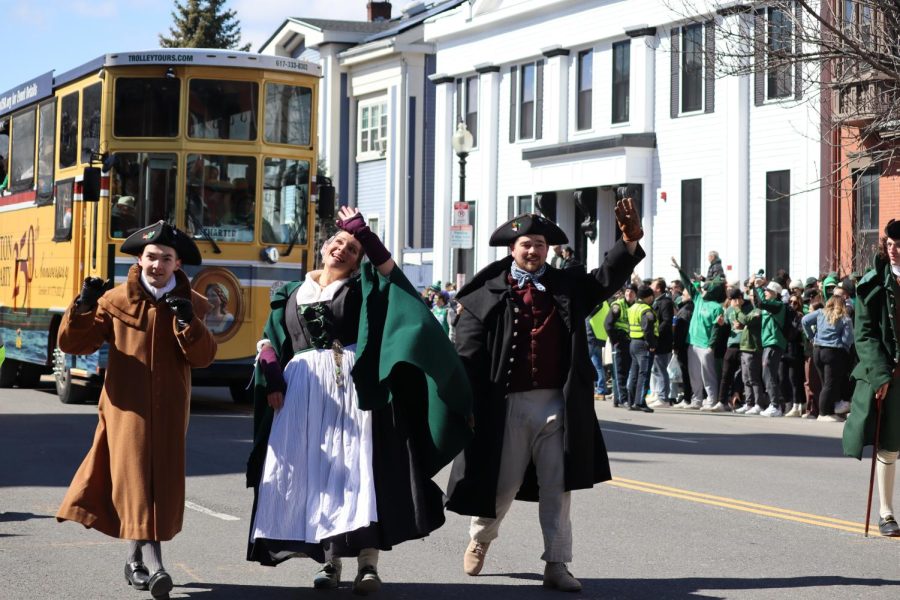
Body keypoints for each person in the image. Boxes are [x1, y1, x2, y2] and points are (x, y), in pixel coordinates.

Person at [246, 207, 472, 592]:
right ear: (323, 248)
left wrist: (365, 236)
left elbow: (393, 276)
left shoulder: (365, 285)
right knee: (319, 475)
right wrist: (269, 366)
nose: (342, 249)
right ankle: (330, 562)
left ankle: (368, 565)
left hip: (351, 387)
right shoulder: (291, 292)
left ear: (357, 260)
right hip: (301, 392)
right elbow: (271, 337)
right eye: (337, 242)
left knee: (357, 474)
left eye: (351, 248)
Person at [448, 201, 645, 592]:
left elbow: (605, 278)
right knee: (501, 486)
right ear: (512, 249)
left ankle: (557, 563)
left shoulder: (567, 286)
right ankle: (481, 537)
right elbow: (466, 355)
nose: (533, 251)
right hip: (506, 407)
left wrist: (627, 241)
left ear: (547, 249)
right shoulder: (485, 293)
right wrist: (465, 403)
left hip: (558, 403)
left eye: (539, 244)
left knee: (558, 486)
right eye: (526, 244)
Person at [55, 221, 217, 599]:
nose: (157, 264)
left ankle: (134, 562)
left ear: (177, 264)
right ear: (139, 259)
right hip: (125, 410)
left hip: (171, 410)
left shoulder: (190, 303)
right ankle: (157, 566)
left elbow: (205, 357)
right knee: (135, 484)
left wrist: (187, 322)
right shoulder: (113, 301)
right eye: (151, 257)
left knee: (155, 485)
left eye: (166, 258)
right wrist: (82, 304)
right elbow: (73, 343)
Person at [843, 220, 900, 537]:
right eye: (890, 243)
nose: (893, 249)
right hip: (890, 374)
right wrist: (880, 375)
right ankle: (886, 512)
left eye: (899, 245)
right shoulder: (872, 283)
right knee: (889, 445)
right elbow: (864, 335)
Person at [672, 257, 725, 410]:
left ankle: (711, 399)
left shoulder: (716, 307)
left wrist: (711, 345)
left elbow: (717, 328)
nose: (704, 289)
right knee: (694, 374)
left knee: (708, 375)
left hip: (706, 345)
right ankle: (697, 400)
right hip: (692, 343)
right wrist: (680, 270)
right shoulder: (699, 299)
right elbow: (688, 284)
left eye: (707, 288)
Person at [802, 295, 854, 421]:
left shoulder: (820, 313)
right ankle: (824, 413)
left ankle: (829, 411)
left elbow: (804, 321)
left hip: (817, 350)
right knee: (830, 384)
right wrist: (843, 348)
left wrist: (812, 337)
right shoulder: (845, 318)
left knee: (825, 382)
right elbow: (848, 338)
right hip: (833, 352)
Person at [752, 278, 789, 417]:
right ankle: (774, 404)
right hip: (768, 342)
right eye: (766, 290)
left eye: (768, 291)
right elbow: (759, 302)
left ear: (775, 293)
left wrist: (759, 287)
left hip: (774, 342)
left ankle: (775, 405)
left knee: (769, 373)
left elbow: (761, 302)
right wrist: (754, 287)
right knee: (767, 373)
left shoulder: (778, 305)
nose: (765, 292)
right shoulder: (771, 305)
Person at [626, 285, 657, 413]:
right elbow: (648, 329)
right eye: (652, 296)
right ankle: (640, 402)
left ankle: (631, 401)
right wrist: (652, 344)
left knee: (634, 374)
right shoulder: (646, 310)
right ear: (648, 297)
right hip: (643, 344)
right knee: (644, 373)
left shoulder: (632, 307)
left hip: (633, 342)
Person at [606, 284, 636, 407]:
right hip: (619, 341)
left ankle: (618, 399)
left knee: (627, 370)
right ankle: (623, 398)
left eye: (632, 292)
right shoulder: (618, 305)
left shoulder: (636, 306)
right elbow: (608, 324)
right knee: (619, 371)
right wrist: (615, 341)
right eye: (628, 291)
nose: (629, 294)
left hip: (631, 341)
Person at [648, 278, 675, 408]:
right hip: (656, 341)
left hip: (662, 341)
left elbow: (666, 321)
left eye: (652, 286)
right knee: (656, 369)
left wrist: (655, 333)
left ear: (658, 288)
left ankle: (664, 397)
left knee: (660, 368)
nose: (650, 287)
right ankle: (659, 395)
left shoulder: (665, 302)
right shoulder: (656, 301)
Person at [586, 301, 610, 400]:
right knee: (598, 366)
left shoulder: (596, 301)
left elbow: (586, 313)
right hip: (600, 337)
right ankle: (600, 392)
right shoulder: (605, 303)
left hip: (591, 335)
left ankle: (586, 389)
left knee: (583, 362)